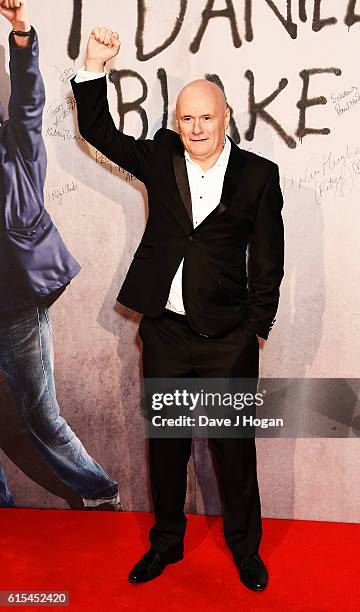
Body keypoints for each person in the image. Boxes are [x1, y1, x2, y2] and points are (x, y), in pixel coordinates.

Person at [71, 26, 284, 591]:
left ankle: (245, 550)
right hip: (165, 334)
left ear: (226, 118)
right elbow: (97, 130)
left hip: (226, 341)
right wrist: (94, 65)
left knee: (233, 455)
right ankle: (166, 544)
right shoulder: (162, 156)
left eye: (206, 118)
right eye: (186, 119)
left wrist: (254, 331)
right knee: (166, 452)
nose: (195, 129)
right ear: (177, 122)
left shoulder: (259, 175)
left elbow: (268, 261)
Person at [0, 1, 121, 511]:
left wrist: (21, 33)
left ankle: (98, 492)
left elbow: (29, 98)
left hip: (17, 305)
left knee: (40, 412)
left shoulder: (18, 148)